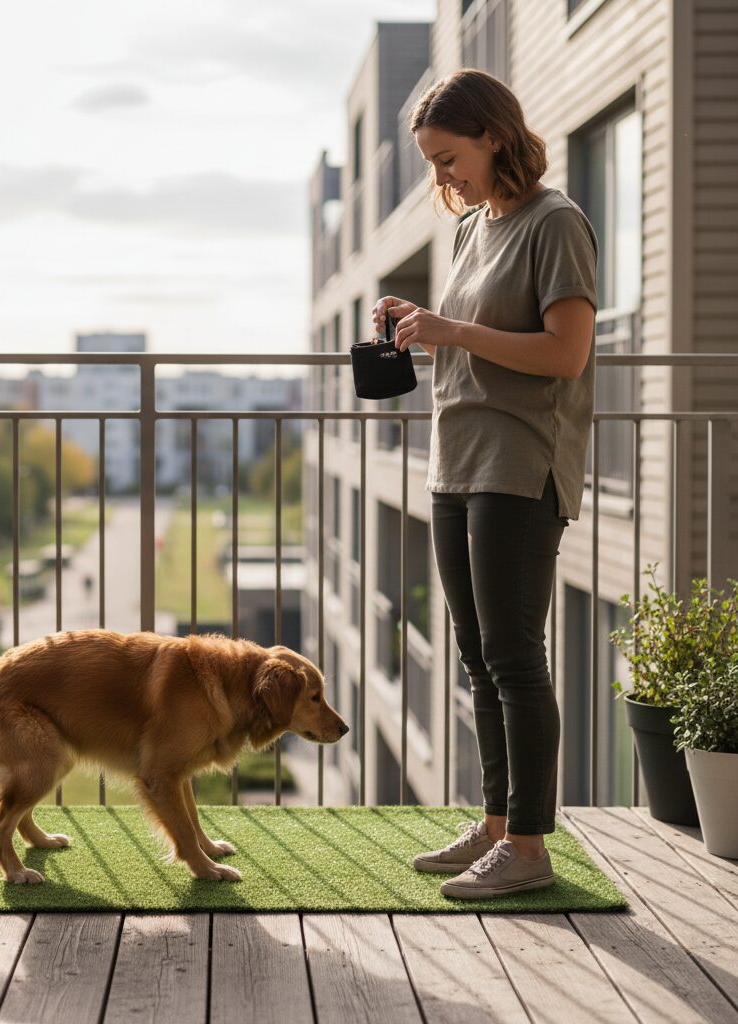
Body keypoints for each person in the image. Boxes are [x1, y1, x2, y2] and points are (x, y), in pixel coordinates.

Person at [372, 69, 598, 900]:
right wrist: (416, 323)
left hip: (518, 463)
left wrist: (453, 328)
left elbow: (563, 354)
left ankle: (530, 848)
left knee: (513, 658)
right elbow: (474, 338)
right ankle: (498, 824)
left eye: (448, 158)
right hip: (455, 460)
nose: (442, 178)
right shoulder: (472, 230)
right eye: (432, 163)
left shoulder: (556, 222)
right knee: (476, 656)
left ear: (494, 135)